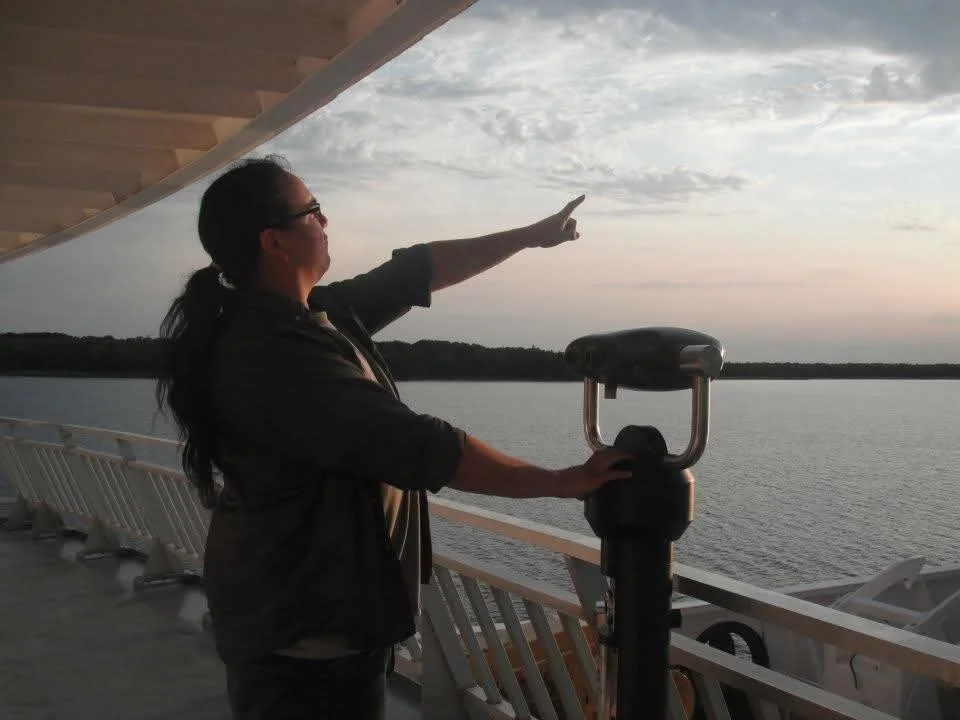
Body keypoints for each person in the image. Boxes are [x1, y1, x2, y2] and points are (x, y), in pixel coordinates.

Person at [156, 155, 630, 720]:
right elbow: (420, 445)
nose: (326, 222)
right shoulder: (273, 353)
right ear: (274, 242)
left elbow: (418, 270)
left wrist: (530, 236)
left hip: (318, 615)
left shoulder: (313, 314)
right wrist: (562, 482)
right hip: (305, 636)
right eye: (313, 212)